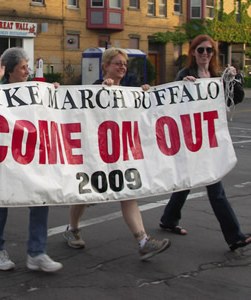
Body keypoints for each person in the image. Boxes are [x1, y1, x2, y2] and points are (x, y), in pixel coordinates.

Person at [64, 47, 171, 260]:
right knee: (84, 194)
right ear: (105, 67)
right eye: (117, 63)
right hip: (96, 153)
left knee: (128, 192)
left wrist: (145, 95)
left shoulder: (130, 91)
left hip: (120, 154)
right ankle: (72, 228)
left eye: (124, 64)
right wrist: (103, 89)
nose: (122, 67)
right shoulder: (95, 88)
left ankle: (143, 241)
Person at [159, 34, 251, 251]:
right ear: (193, 52)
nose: (205, 54)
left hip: (210, 140)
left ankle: (169, 219)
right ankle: (235, 236)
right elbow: (172, 103)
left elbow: (235, 98)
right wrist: (183, 86)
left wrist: (234, 79)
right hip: (191, 141)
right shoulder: (185, 74)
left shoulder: (217, 76)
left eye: (209, 50)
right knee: (214, 188)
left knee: (187, 183)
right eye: (200, 50)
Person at [0, 47, 62, 272]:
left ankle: (37, 253)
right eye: (23, 67)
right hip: (4, 160)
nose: (27, 71)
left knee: (41, 200)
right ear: (10, 71)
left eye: (28, 67)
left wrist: (53, 93)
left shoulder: (35, 91)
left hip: (30, 158)